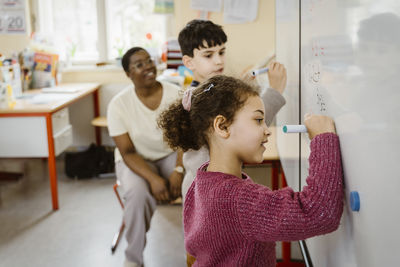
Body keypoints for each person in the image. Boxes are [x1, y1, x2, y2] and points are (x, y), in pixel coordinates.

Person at [157, 75, 344, 266]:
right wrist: (323, 139)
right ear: (222, 126)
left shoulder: (200, 182)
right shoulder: (238, 200)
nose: (267, 129)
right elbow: (320, 213)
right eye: (258, 119)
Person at [177, 19, 287, 201]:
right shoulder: (199, 98)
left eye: (222, 52)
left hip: (207, 185)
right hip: (203, 191)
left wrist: (242, 90)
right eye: (208, 55)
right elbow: (247, 127)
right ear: (189, 62)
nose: (218, 61)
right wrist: (274, 91)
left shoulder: (208, 90)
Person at [107, 47, 184, 267]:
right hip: (136, 160)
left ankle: (200, 252)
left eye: (149, 61)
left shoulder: (175, 94)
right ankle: (133, 259)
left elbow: (185, 139)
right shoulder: (118, 105)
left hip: (171, 154)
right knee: (137, 193)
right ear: (128, 74)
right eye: (139, 64)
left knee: (193, 185)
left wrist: (178, 171)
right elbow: (128, 152)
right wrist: (154, 179)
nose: (148, 67)